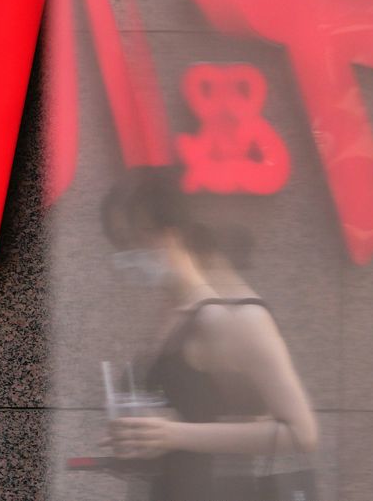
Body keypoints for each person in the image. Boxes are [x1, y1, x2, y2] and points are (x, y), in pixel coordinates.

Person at [100, 166, 318, 501]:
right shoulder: (176, 313)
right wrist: (144, 440)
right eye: (119, 244)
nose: (126, 256)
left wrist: (174, 435)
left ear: (169, 232)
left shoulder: (233, 317)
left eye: (132, 240)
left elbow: (301, 432)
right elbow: (195, 411)